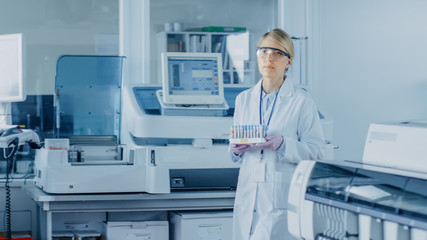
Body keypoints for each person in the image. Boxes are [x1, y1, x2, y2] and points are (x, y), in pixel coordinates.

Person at [230, 28, 325, 240]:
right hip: (248, 195)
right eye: (263, 51)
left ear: (288, 62)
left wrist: (284, 144)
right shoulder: (244, 99)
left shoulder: (302, 102)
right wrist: (235, 150)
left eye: (277, 53)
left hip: (279, 197)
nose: (268, 58)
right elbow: (236, 148)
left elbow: (317, 152)